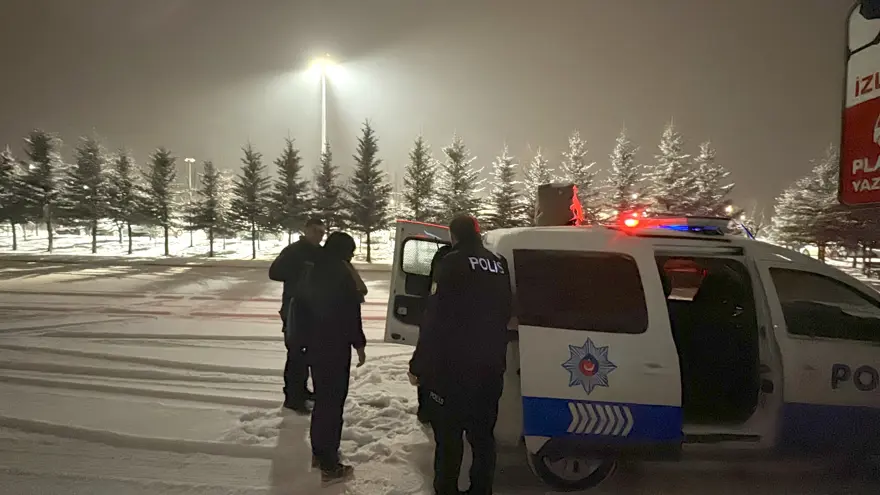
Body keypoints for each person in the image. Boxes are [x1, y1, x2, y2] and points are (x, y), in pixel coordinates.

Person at [408, 215, 513, 495]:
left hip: (453, 368)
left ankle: (446, 489)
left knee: (449, 437)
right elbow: (506, 310)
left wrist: (418, 364)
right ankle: (481, 489)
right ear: (477, 232)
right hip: (490, 365)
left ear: (453, 235)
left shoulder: (451, 262)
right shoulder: (498, 263)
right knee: (483, 437)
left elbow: (434, 319)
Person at [298, 231, 367, 485]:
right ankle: (329, 464)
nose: (352, 257)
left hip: (314, 345)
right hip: (334, 346)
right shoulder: (340, 272)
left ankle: (320, 453)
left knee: (322, 400)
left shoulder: (313, 266)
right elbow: (351, 313)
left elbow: (301, 305)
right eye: (350, 252)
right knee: (332, 402)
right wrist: (359, 344)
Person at [268, 217, 325, 413]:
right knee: (295, 354)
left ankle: (301, 390)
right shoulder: (293, 251)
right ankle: (292, 398)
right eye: (315, 231)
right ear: (306, 230)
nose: (319, 235)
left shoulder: (320, 252)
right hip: (294, 310)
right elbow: (274, 272)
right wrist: (299, 269)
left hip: (313, 310)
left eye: (322, 232)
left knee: (307, 353)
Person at [416, 242, 453, 425]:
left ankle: (426, 410)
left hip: (434, 333)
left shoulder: (441, 262)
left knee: (428, 372)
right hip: (447, 335)